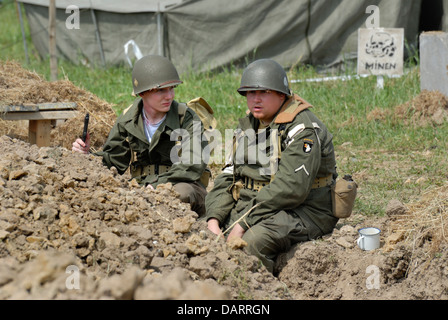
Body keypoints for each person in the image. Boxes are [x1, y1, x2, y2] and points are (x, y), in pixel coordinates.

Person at [205, 59, 338, 273]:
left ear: (281, 95)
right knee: (205, 237)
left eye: (264, 92)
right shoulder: (249, 125)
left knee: (251, 244)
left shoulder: (302, 129)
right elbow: (229, 175)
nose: (255, 99)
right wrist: (213, 219)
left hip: (305, 210)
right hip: (260, 204)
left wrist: (243, 223)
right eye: (250, 93)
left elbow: (291, 188)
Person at [72, 55, 208, 216]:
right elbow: (113, 160)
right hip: (141, 186)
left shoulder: (186, 118)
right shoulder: (128, 120)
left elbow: (191, 164)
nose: (170, 96)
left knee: (180, 193)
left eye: (172, 88)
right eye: (161, 90)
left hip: (182, 183)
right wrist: (88, 156)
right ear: (142, 93)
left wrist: (158, 186)